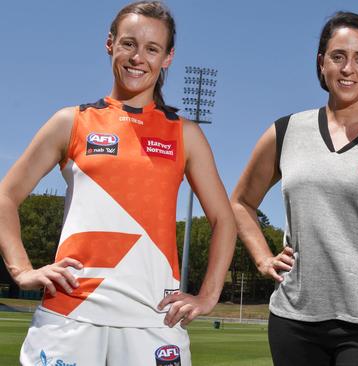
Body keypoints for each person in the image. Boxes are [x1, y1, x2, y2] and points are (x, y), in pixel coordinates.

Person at [0, 2, 236, 365]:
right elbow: (6, 196)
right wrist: (22, 270)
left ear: (168, 57)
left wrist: (208, 296)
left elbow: (223, 220)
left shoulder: (185, 134)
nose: (138, 57)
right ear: (110, 43)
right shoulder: (71, 121)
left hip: (154, 319)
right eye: (129, 43)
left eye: (152, 48)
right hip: (70, 315)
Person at [231, 11, 358, 366]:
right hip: (295, 321)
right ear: (321, 63)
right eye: (338, 57)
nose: (348, 69)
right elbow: (240, 202)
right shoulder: (286, 132)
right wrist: (264, 258)